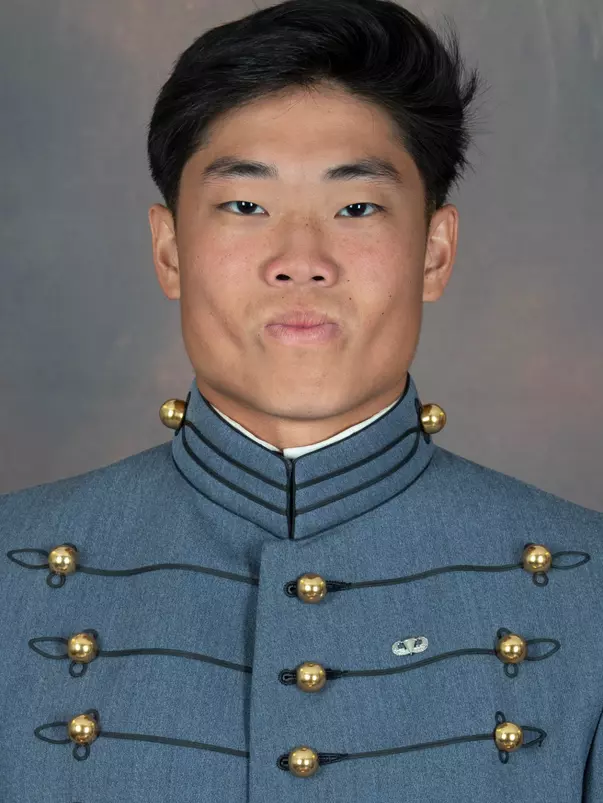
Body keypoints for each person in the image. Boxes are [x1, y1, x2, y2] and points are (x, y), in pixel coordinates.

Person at [1, 0, 601, 800]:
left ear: (434, 251)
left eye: (355, 207)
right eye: (245, 206)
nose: (300, 260)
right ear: (170, 250)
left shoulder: (587, 589)